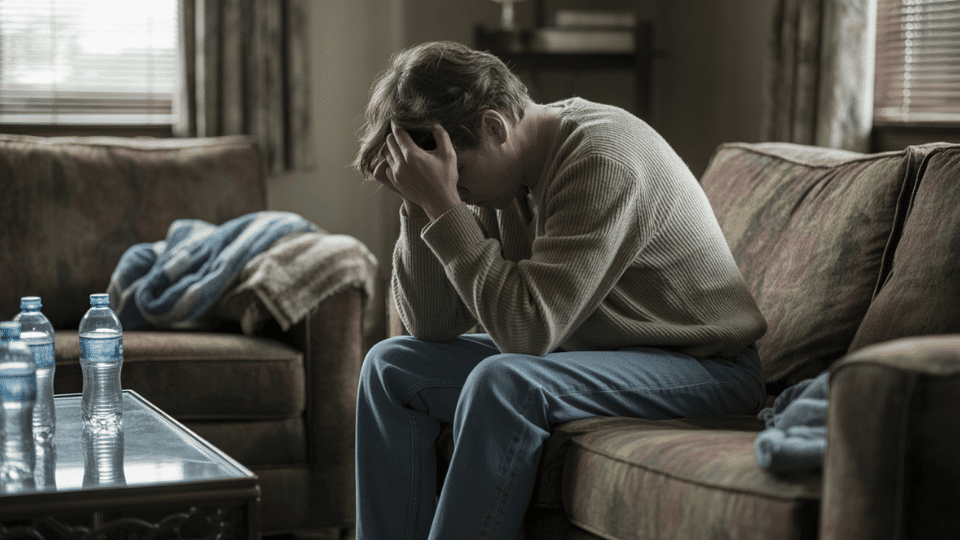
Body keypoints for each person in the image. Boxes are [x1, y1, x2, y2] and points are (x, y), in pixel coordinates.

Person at [352, 41, 767, 540]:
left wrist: (445, 207)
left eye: (458, 181)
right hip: (593, 351)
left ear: (493, 127)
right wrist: (420, 201)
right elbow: (433, 325)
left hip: (706, 369)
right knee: (390, 365)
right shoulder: (498, 173)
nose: (457, 195)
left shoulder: (602, 157)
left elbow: (526, 333)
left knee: (505, 382)